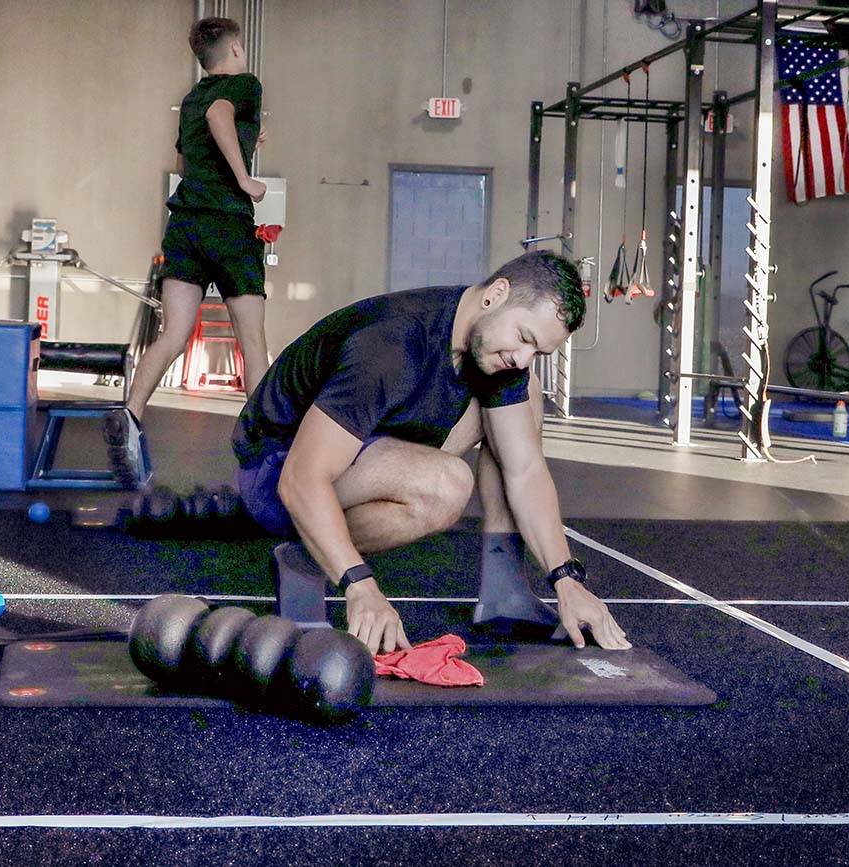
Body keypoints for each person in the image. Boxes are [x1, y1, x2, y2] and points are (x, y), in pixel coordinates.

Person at [232, 250, 632, 656]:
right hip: (276, 469)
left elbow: (525, 469)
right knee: (445, 486)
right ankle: (306, 558)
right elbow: (301, 477)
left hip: (363, 447)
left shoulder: (486, 342)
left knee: (522, 398)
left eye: (538, 352)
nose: (523, 357)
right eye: (525, 338)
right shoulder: (393, 343)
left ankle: (504, 592)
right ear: (495, 294)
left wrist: (567, 580)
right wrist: (361, 586)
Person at [106, 17, 269, 482]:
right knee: (252, 343)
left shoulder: (190, 97)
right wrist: (242, 178)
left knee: (173, 335)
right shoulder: (245, 84)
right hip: (227, 226)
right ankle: (262, 451)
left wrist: (243, 143)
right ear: (235, 49)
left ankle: (131, 416)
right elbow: (221, 116)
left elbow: (187, 158)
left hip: (186, 226)